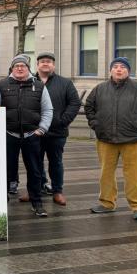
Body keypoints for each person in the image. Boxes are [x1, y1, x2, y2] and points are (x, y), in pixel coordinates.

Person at [85, 57, 137, 220]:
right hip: (105, 139)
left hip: (133, 139)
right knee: (106, 173)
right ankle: (106, 203)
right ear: (110, 70)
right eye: (116, 67)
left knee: (135, 174)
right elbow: (89, 106)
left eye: (123, 67)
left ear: (128, 71)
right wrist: (95, 123)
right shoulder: (100, 89)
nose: (119, 69)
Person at [0, 54, 53, 218]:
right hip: (8, 134)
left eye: (23, 66)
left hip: (32, 135)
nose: (19, 68)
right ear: (12, 69)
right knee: (5, 170)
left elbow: (47, 110)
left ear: (28, 68)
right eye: (16, 66)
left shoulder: (38, 86)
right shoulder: (2, 85)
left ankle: (37, 203)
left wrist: (42, 128)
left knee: (35, 170)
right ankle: (1, 201)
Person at [34, 52, 81, 206]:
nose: (45, 64)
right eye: (42, 61)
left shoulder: (65, 83)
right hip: (34, 131)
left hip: (57, 132)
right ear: (37, 65)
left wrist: (63, 121)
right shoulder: (30, 82)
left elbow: (74, 103)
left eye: (48, 62)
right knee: (34, 162)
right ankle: (35, 189)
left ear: (53, 65)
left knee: (56, 162)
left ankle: (57, 191)